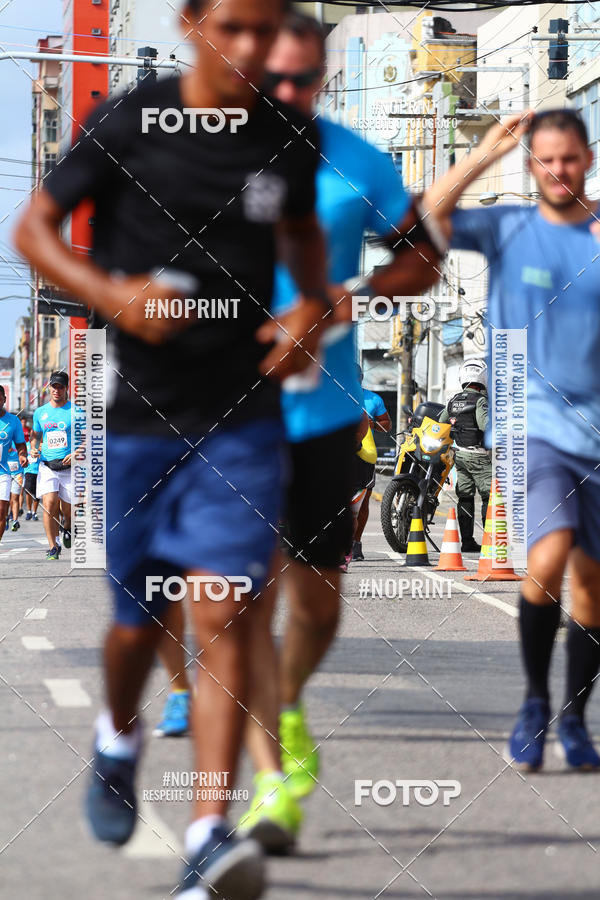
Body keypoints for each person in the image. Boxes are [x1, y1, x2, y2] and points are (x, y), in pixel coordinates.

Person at [15, 0, 335, 895]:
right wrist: (108, 295)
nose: (247, 47)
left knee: (228, 610)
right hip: (141, 424)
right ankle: (118, 736)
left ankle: (208, 833)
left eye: (262, 29)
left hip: (245, 419)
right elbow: (34, 231)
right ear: (193, 23)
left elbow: (303, 240)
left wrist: (310, 307)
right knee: (136, 626)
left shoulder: (287, 137)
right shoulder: (128, 121)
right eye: (230, 26)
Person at [232, 11, 446, 852]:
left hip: (324, 409)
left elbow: (422, 257)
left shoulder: (358, 161)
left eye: (302, 80)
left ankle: (286, 704)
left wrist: (355, 291)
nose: (286, 94)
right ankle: (269, 784)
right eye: (272, 79)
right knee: (236, 601)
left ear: (321, 79)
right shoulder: (202, 153)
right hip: (225, 411)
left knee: (317, 605)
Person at [425, 107, 600, 770]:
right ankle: (533, 702)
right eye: (545, 158)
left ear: (586, 159)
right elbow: (415, 223)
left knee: (592, 588)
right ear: (533, 165)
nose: (558, 170)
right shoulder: (508, 227)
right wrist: (485, 152)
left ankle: (574, 720)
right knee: (549, 558)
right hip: (534, 425)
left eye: (570, 158)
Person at [439, 358, 491, 553]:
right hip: (479, 457)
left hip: (459, 456)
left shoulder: (453, 400)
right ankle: (489, 541)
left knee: (466, 497)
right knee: (489, 497)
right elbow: (485, 426)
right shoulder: (480, 401)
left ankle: (467, 541)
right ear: (482, 378)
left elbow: (442, 422)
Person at [30, 371, 74, 560]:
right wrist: (33, 448)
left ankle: (68, 526)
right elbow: (35, 435)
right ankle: (53, 546)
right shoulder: (40, 412)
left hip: (70, 467)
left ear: (66, 388)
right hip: (47, 465)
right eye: (54, 386)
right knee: (49, 503)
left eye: (61, 386)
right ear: (49, 387)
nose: (57, 390)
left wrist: (77, 452)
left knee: (69, 509)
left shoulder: (76, 411)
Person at [352, 364, 391, 560]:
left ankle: (356, 543)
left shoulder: (373, 399)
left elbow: (387, 425)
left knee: (363, 502)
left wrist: (371, 424)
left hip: (365, 455)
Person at [0, 385, 26, 544]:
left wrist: (22, 456)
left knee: (2, 511)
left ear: (4, 399)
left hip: (3, 472)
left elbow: (21, 445)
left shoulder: (13, 421)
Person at [6, 444, 24, 531]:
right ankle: (5, 517)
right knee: (6, 498)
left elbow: (24, 454)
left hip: (17, 475)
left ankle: (15, 520)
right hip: (5, 474)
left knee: (15, 497)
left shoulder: (17, 442)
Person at [23, 438, 40, 520]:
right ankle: (29, 511)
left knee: (37, 494)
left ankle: (34, 512)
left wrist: (40, 454)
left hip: (39, 472)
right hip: (29, 472)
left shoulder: (41, 445)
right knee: (28, 492)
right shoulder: (26, 445)